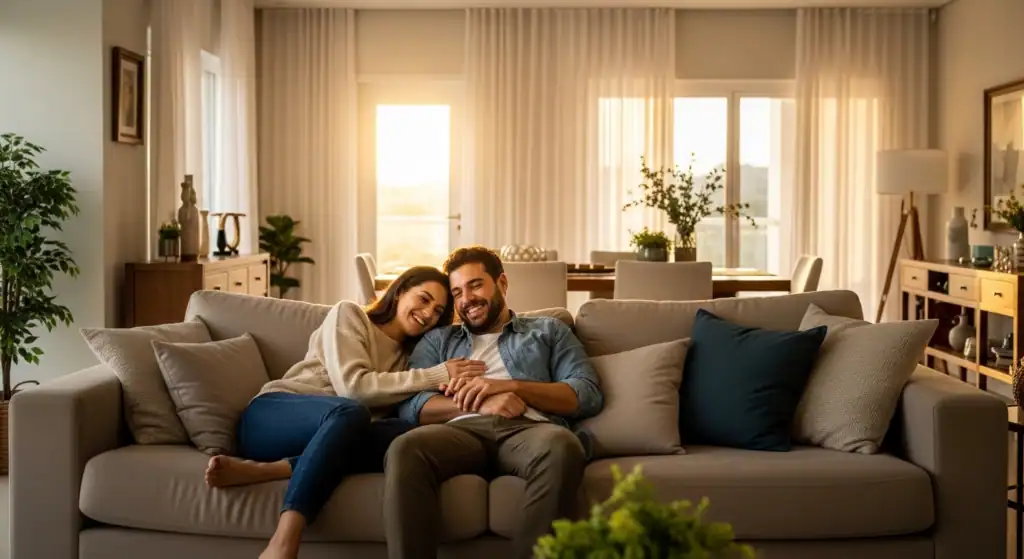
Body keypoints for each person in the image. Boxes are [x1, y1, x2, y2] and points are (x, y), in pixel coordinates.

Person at [203, 266, 487, 559]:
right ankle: (284, 540)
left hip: (329, 439)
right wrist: (437, 374)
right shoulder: (350, 315)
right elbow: (354, 388)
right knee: (351, 411)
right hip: (272, 416)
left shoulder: (409, 361)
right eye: (423, 299)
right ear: (400, 292)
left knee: (408, 435)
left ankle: (271, 470)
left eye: (438, 311)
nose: (428, 314)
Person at [383, 246, 604, 559]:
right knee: (405, 448)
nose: (466, 299)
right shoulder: (438, 340)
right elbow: (411, 406)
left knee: (562, 446)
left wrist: (512, 387)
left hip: (529, 430)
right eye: (457, 293)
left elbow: (586, 392)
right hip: (458, 431)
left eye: (475, 286)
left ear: (502, 283)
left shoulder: (549, 330)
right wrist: (481, 402)